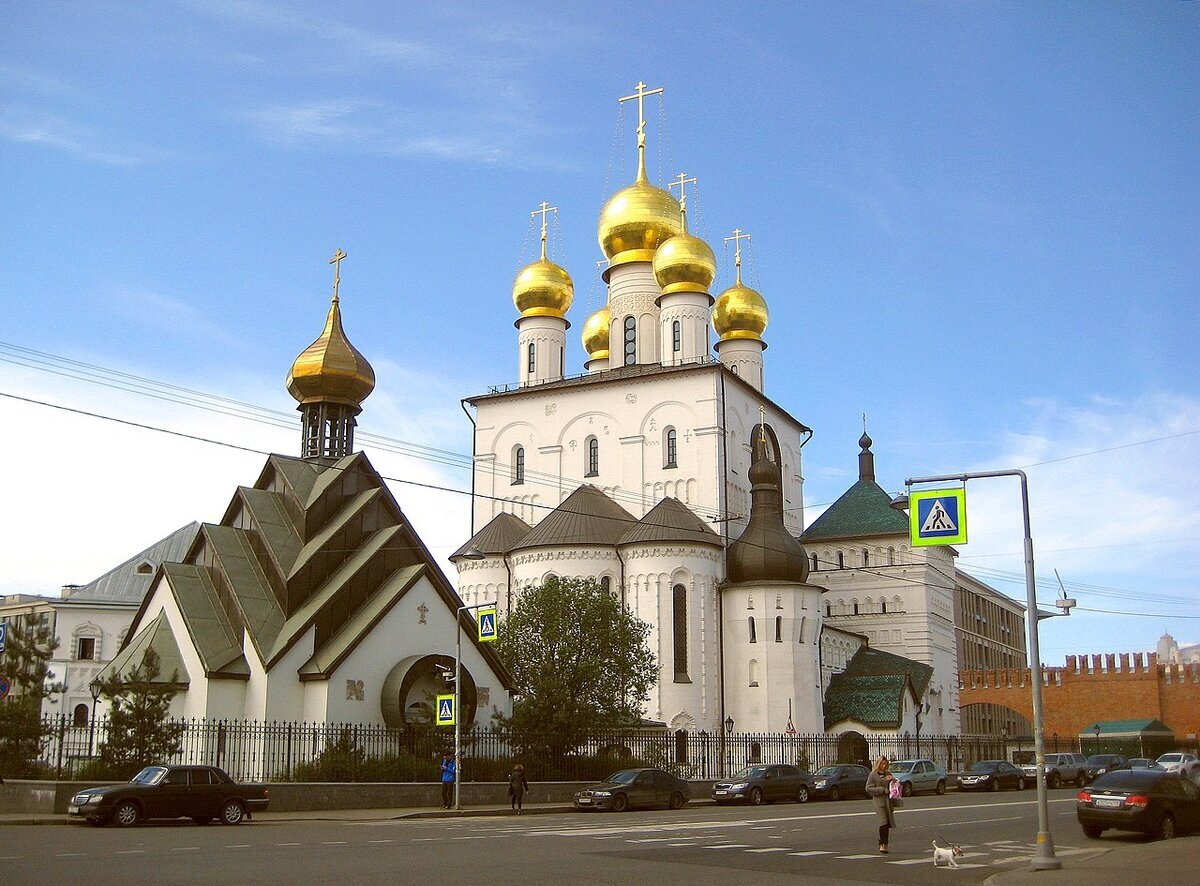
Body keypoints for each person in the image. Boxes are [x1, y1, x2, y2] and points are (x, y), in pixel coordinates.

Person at [865, 755, 897, 853]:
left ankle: (886, 844)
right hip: (878, 801)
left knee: (887, 822)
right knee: (883, 821)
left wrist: (894, 781)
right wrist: (882, 790)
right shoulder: (873, 775)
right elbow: (868, 788)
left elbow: (894, 785)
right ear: (878, 764)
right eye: (882, 764)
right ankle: (882, 844)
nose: (883, 766)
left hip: (888, 801)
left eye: (885, 764)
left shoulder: (888, 773)